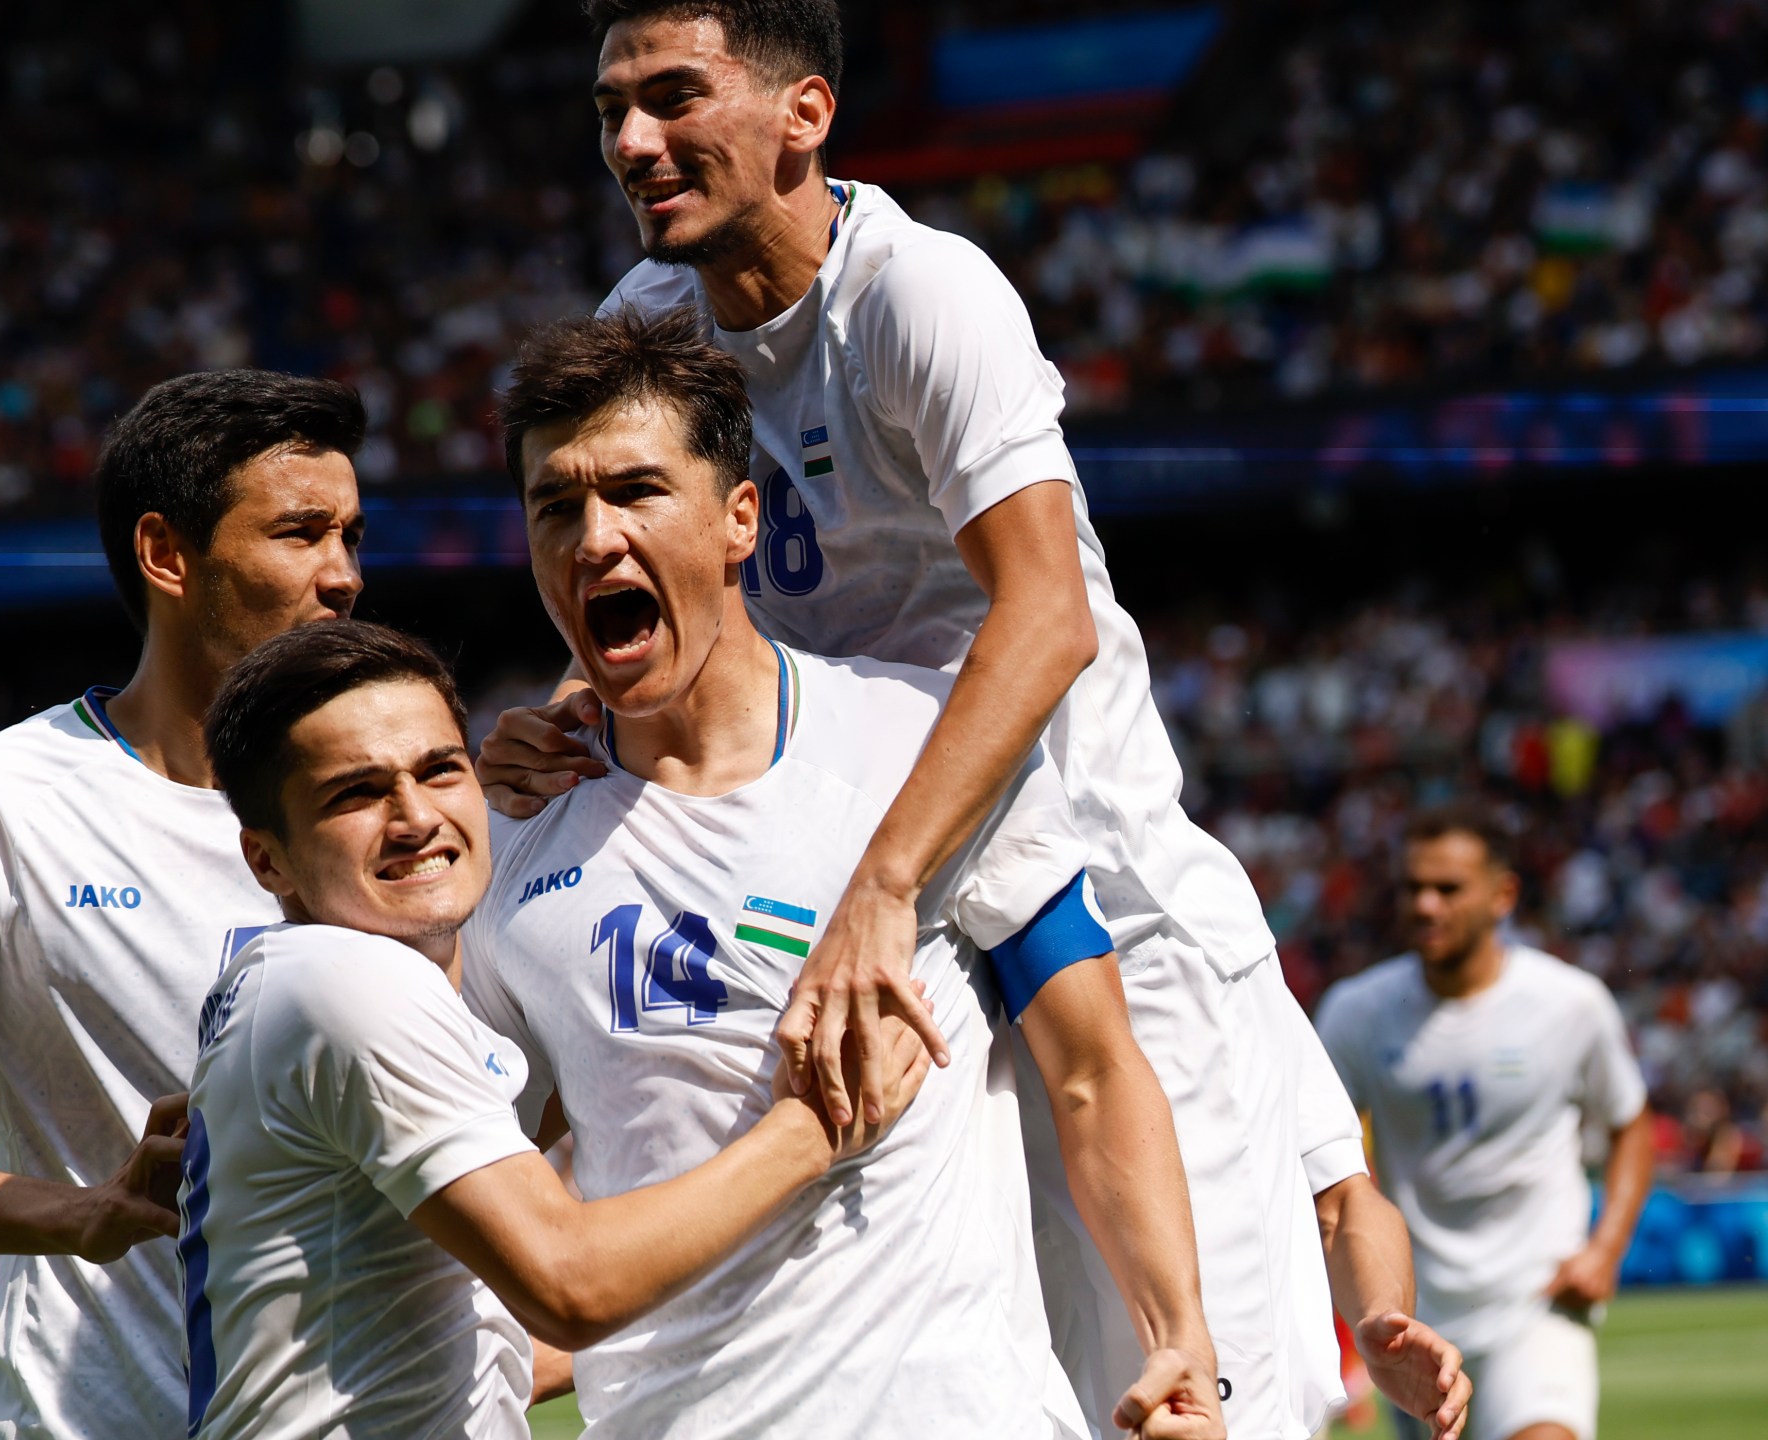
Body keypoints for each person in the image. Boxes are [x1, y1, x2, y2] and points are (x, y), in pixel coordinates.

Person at [477, 5, 1464, 1435]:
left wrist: (886, 882)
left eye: (675, 97)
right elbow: (666, 579)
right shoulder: (644, 324)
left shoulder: (917, 296)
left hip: (1085, 905)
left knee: (1198, 1399)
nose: (633, 141)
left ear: (803, 114)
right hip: (875, 901)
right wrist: (570, 709)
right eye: (611, 109)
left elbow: (1045, 616)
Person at [465, 308, 1222, 1438]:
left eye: (634, 492)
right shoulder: (503, 836)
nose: (592, 538)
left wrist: (1176, 1337)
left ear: (738, 519)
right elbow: (479, 1178)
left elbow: (1092, 1067)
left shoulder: (923, 745)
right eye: (554, 507)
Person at [180, 618, 929, 1440]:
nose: (414, 817)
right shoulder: (347, 980)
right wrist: (816, 1129)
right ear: (268, 861)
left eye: (440, 770)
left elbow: (454, 1337)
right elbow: (572, 1285)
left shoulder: (304, 984)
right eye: (355, 794)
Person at [0, 368, 368, 1437]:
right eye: (300, 534)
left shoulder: (411, 800)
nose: (341, 575)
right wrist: (86, 1216)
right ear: (167, 555)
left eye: (350, 535)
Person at [1317, 807, 1655, 1440]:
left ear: (1503, 895)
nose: (1425, 904)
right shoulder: (1356, 1013)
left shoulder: (1569, 1004)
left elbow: (1631, 1124)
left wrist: (1605, 1249)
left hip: (1538, 1301)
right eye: (1412, 887)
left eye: (1447, 888)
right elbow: (1311, 1153)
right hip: (1417, 1312)